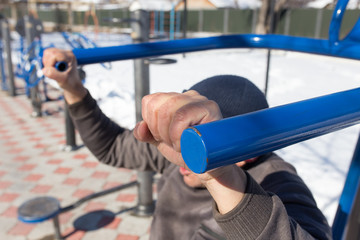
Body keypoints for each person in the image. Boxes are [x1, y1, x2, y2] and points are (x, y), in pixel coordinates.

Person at [42, 48, 332, 240]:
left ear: (245, 154)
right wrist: (72, 87)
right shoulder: (179, 156)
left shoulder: (275, 178)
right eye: (180, 134)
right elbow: (112, 148)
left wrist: (220, 173)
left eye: (195, 139)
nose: (180, 153)